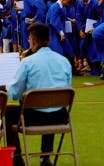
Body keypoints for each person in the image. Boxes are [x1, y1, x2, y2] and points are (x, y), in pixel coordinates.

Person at [5, 22, 72, 166]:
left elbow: (15, 94)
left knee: (8, 112)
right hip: (60, 117)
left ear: (33, 40)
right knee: (51, 103)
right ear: (48, 40)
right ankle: (45, 156)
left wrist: (8, 86)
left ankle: (16, 159)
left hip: (33, 117)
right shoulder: (64, 61)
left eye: (29, 39)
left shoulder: (28, 62)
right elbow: (67, 87)